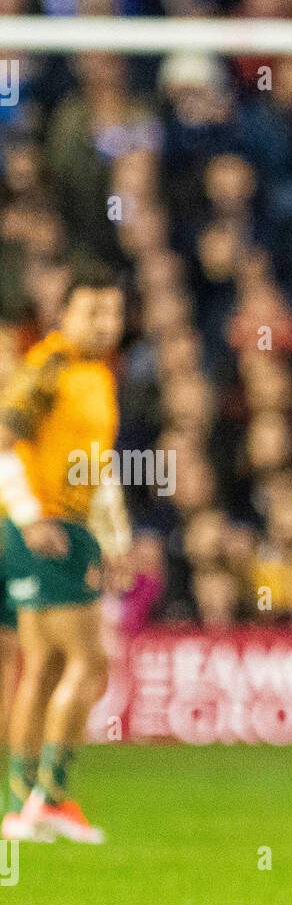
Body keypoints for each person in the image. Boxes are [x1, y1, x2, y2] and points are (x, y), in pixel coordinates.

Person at [0, 264, 129, 844]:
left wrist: (110, 539)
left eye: (113, 312)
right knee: (90, 665)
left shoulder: (93, 374)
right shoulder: (49, 368)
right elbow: (4, 438)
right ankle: (46, 799)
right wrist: (29, 517)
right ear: (65, 316)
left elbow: (94, 469)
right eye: (92, 312)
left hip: (64, 528)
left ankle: (23, 801)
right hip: (42, 529)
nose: (105, 324)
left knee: (46, 665)